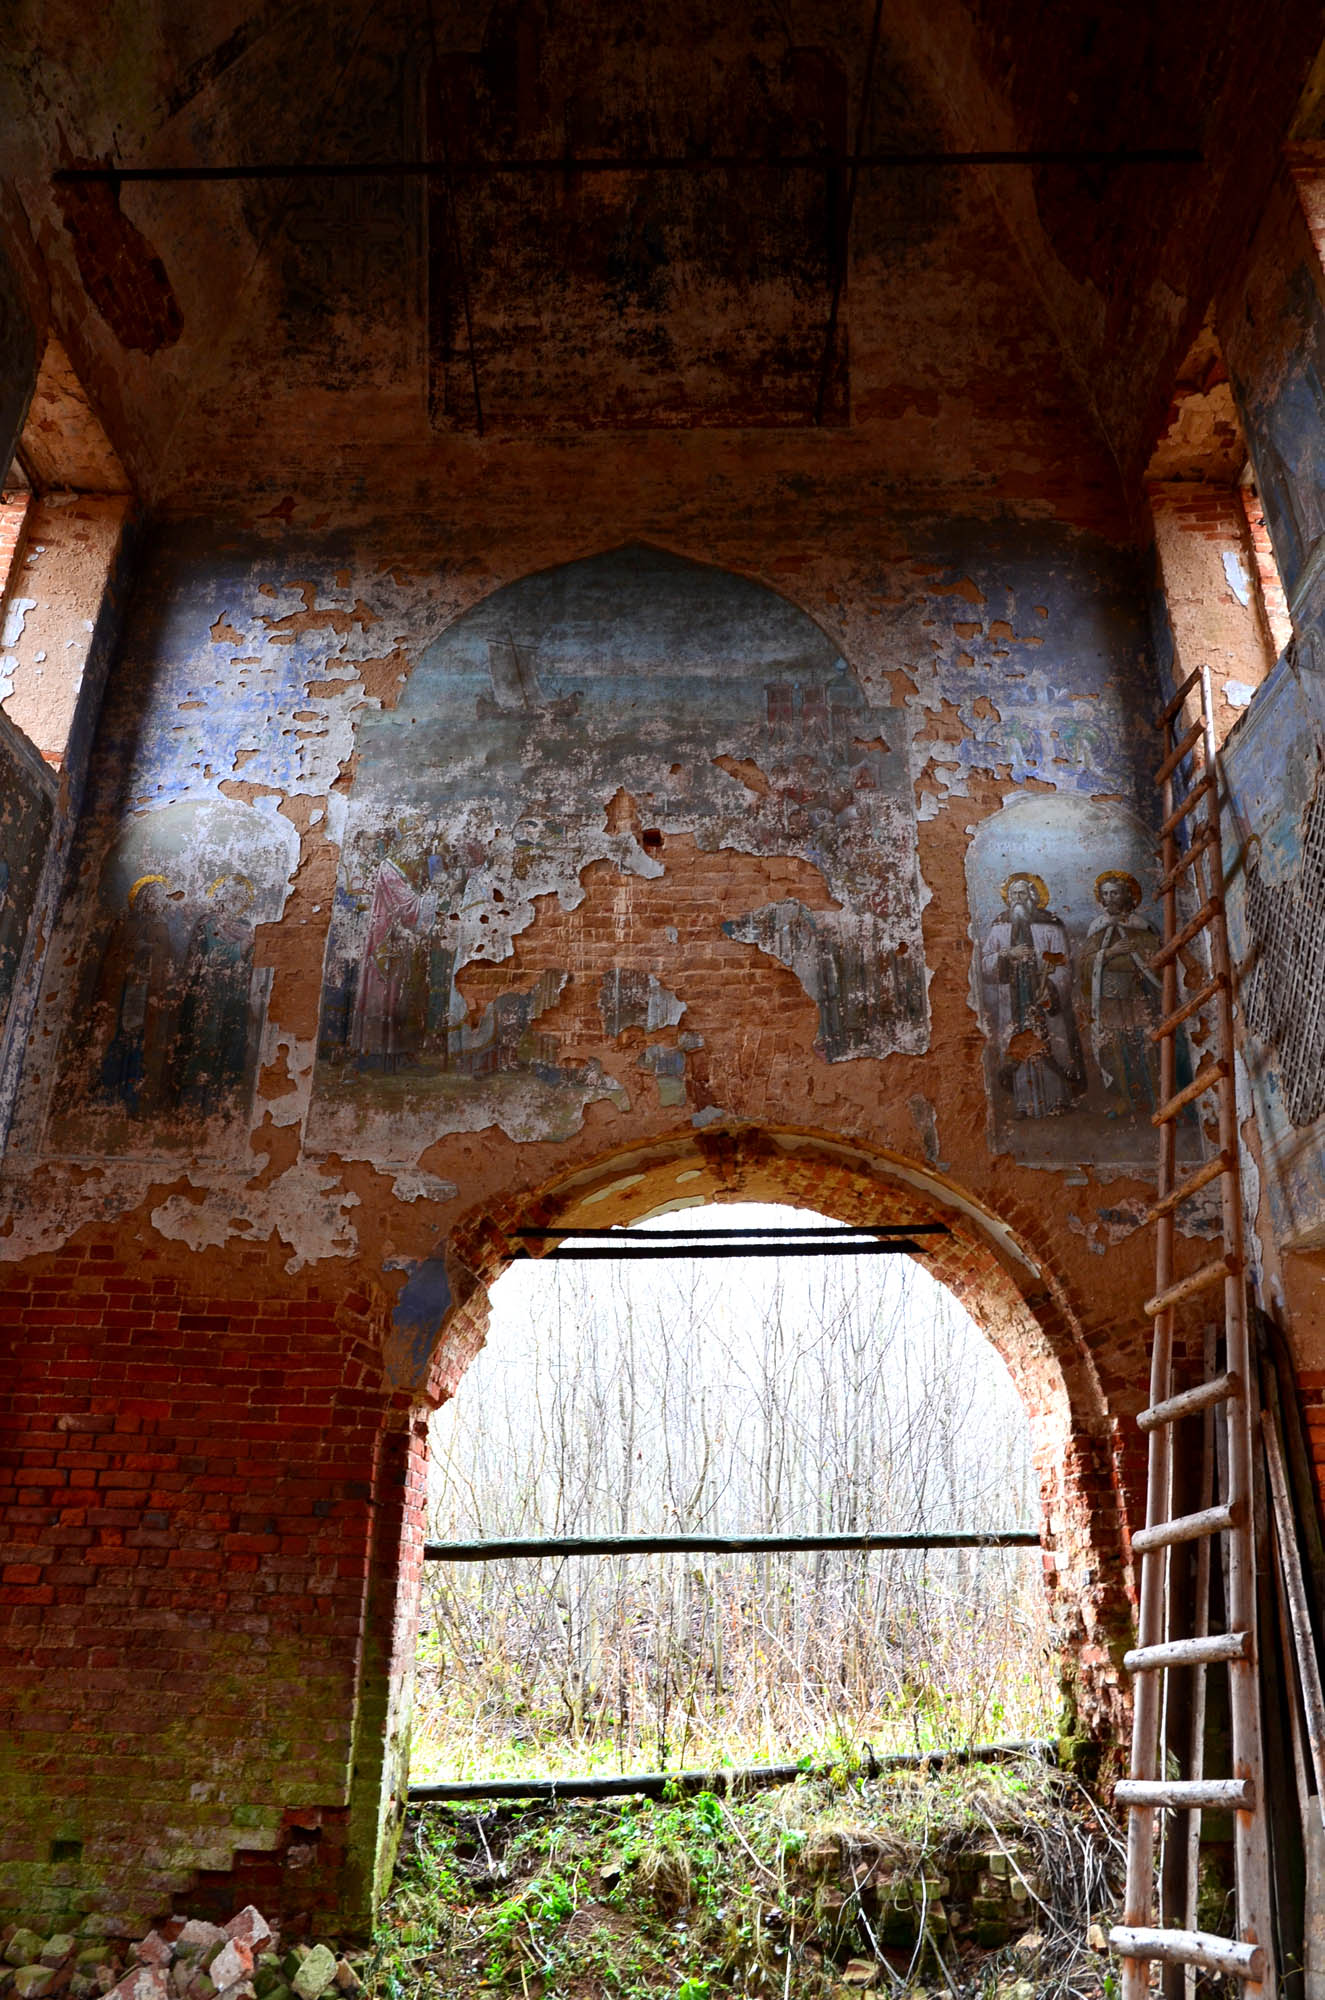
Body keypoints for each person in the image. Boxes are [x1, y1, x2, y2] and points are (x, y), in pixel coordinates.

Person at [982, 872, 1085, 1118]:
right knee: (1017, 1043)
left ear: (1034, 896)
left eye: (1023, 893)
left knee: (1052, 1043)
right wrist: (1007, 954)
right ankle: (1024, 1104)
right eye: (1013, 894)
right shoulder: (1000, 926)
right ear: (1008, 898)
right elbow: (985, 964)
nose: (1018, 898)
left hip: (1042, 996)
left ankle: (1057, 1100)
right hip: (1014, 998)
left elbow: (1064, 964)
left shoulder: (1050, 924)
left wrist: (1049, 988)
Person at [1079, 870, 1163, 1118]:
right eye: (1105, 894)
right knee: (1114, 1048)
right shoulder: (1097, 928)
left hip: (1138, 994)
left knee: (1147, 1046)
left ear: (1127, 895)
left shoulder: (1143, 927)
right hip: (1109, 997)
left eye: (1114, 893)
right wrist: (1110, 952)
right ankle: (1124, 1100)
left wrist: (1141, 956)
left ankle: (1157, 1097)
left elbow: (1157, 959)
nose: (1109, 899)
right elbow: (1084, 964)